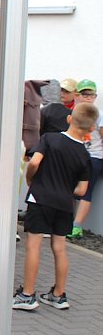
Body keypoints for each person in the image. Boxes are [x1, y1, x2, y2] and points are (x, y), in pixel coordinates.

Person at [12, 102, 98, 311]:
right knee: (59, 248)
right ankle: (58, 295)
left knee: (33, 245)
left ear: (69, 119)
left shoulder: (50, 139)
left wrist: (32, 180)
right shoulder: (85, 155)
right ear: (92, 128)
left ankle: (27, 295)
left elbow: (34, 162)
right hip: (65, 204)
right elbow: (81, 189)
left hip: (41, 199)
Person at [68, 80, 103, 239]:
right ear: (77, 95)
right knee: (70, 187)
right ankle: (67, 221)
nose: (88, 97)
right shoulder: (74, 113)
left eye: (91, 94)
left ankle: (76, 226)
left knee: (85, 191)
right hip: (76, 155)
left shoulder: (99, 115)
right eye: (84, 94)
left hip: (94, 157)